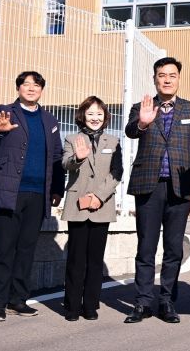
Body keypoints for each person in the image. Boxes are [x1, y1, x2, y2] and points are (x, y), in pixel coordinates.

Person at [123, 57, 190, 324]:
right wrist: (143, 122)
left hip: (181, 187)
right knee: (146, 247)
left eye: (172, 75)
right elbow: (130, 132)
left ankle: (167, 301)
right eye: (162, 75)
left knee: (174, 249)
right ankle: (142, 302)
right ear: (155, 79)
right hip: (149, 185)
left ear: (179, 78)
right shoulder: (142, 107)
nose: (167, 79)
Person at [0, 71, 65, 322]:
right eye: (26, 84)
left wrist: (57, 189)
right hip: (8, 193)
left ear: (41, 90)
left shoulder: (49, 119)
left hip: (38, 194)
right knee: (3, 249)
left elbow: (57, 157)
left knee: (26, 250)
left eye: (36, 85)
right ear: (18, 88)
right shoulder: (5, 111)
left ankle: (18, 300)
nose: (31, 88)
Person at [61, 96, 123, 321]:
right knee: (76, 259)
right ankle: (72, 306)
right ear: (82, 116)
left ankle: (90, 305)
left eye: (99, 114)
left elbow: (117, 172)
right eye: (90, 114)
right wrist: (77, 158)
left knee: (96, 260)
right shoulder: (71, 139)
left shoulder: (113, 141)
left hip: (102, 206)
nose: (95, 118)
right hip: (77, 206)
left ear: (105, 117)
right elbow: (65, 164)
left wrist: (99, 196)